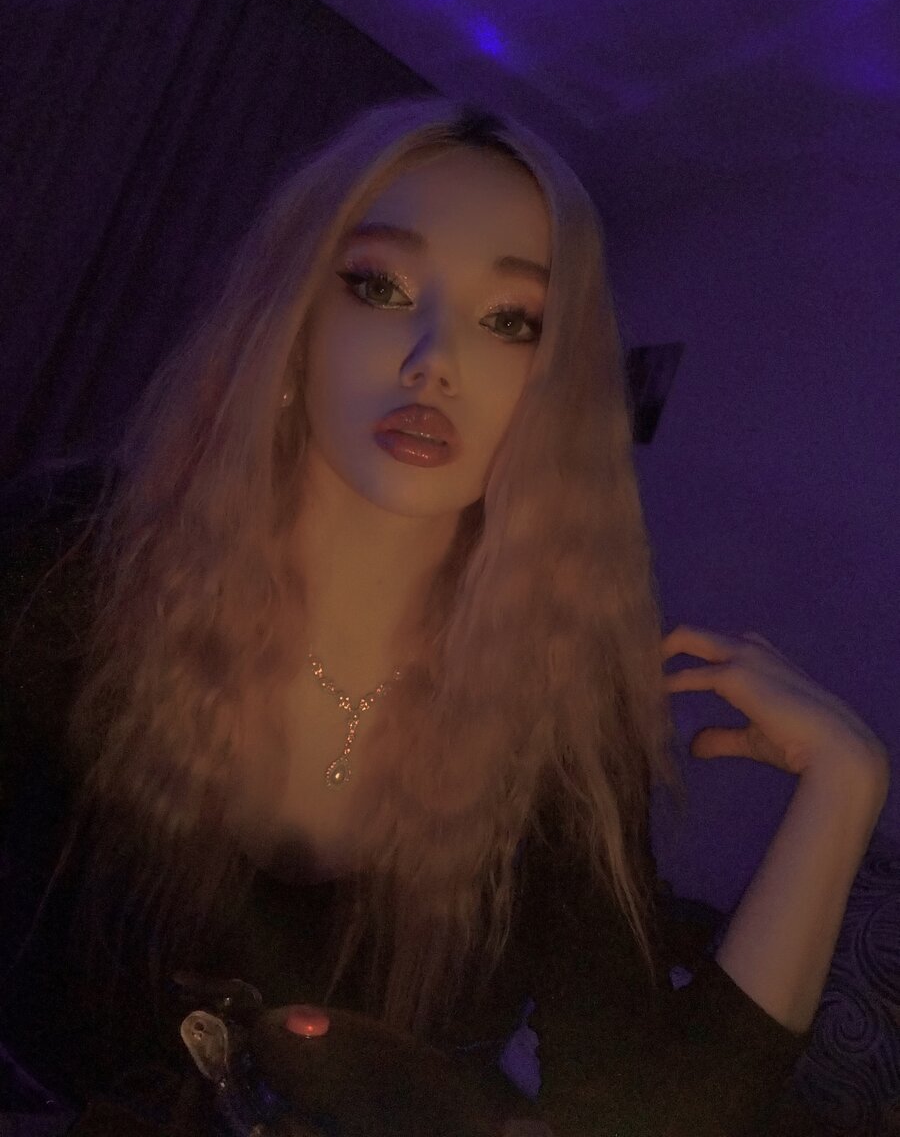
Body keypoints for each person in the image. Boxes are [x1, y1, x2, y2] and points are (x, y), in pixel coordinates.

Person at [0, 96, 889, 1136]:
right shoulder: (75, 564)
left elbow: (647, 1106)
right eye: (379, 287)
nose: (436, 360)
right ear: (292, 324)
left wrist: (844, 788)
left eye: (512, 321)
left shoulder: (563, 728)